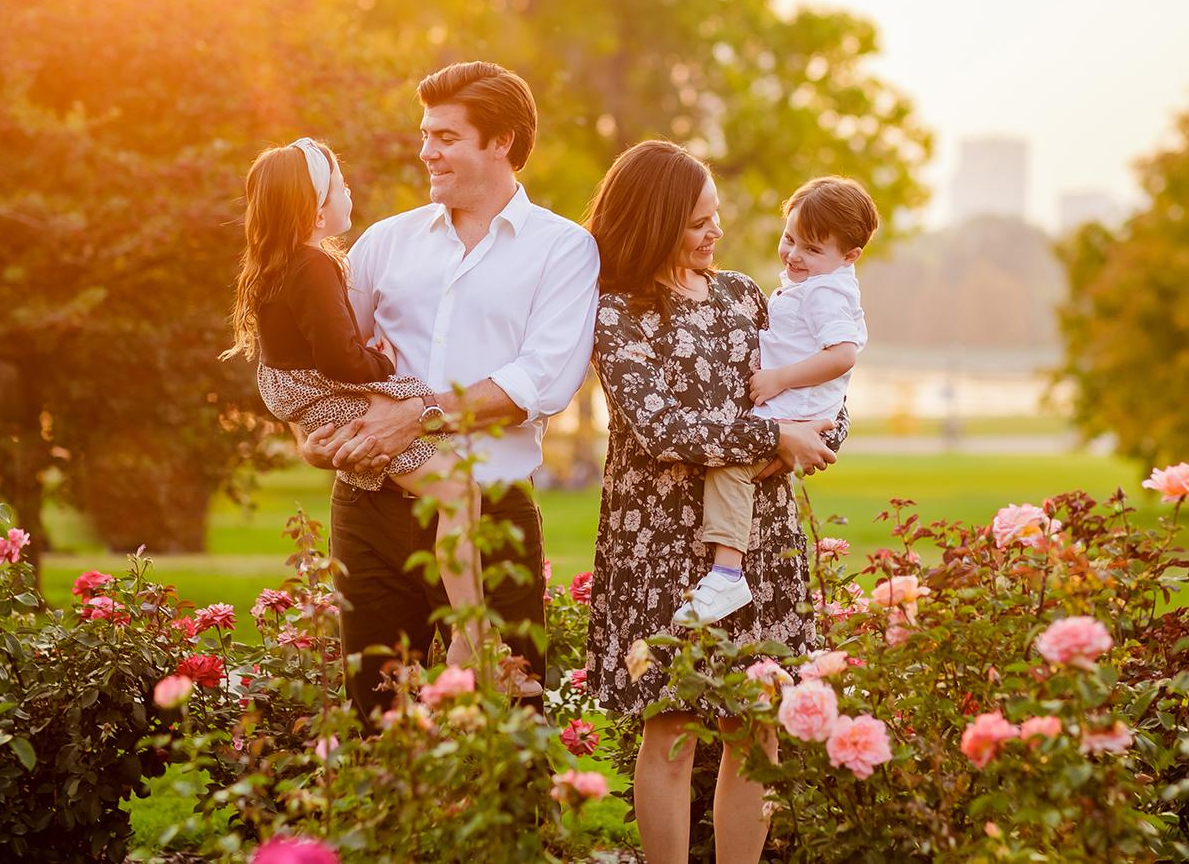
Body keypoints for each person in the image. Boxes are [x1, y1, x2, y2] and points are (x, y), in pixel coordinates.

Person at [299, 61, 599, 720]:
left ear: (501, 143)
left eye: (446, 137)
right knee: (378, 714)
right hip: (371, 508)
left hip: (492, 511)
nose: (425, 151)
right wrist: (316, 440)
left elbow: (542, 377)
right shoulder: (386, 242)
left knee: (507, 719)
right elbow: (325, 361)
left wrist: (419, 414)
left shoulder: (563, 249)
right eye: (425, 133)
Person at [581, 140, 845, 864]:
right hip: (658, 539)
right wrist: (774, 437)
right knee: (669, 723)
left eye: (715, 217)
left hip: (758, 536)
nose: (715, 232)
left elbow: (806, 386)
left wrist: (820, 430)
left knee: (754, 724)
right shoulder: (616, 310)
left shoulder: (743, 296)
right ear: (657, 220)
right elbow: (660, 428)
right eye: (699, 221)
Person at [220, 136, 532, 693]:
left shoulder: (277, 263)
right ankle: (471, 638)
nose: (350, 192)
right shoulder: (313, 264)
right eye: (340, 185)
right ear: (317, 207)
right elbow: (339, 356)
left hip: (303, 392)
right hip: (326, 389)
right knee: (458, 491)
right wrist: (379, 364)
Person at [674, 177, 877, 624]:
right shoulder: (812, 284)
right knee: (741, 468)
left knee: (731, 466)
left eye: (811, 249)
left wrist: (779, 379)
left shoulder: (825, 292)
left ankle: (726, 573)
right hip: (793, 407)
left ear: (849, 256)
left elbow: (843, 355)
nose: (794, 255)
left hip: (795, 407)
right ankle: (727, 570)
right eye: (790, 239)